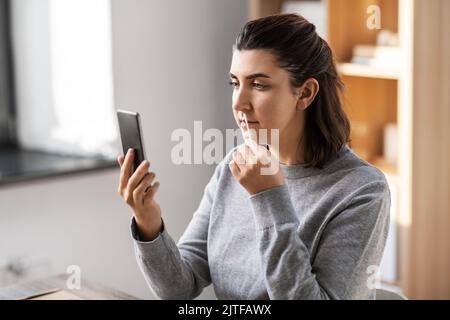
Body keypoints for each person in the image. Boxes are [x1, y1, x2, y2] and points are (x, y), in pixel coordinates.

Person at [117, 13, 390, 300]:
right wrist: (148, 221)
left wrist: (269, 198)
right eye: (235, 83)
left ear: (305, 92)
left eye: (258, 85)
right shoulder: (235, 166)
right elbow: (178, 288)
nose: (239, 103)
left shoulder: (362, 190)